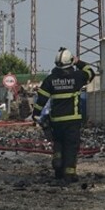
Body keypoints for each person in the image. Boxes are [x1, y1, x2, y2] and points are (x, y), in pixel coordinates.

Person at [33, 47, 97, 183]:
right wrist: (78, 62)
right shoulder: (77, 77)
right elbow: (90, 72)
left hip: (56, 120)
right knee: (70, 146)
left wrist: (36, 115)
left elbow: (41, 100)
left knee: (58, 142)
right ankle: (69, 174)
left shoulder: (50, 79)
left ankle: (57, 165)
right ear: (70, 61)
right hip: (72, 120)